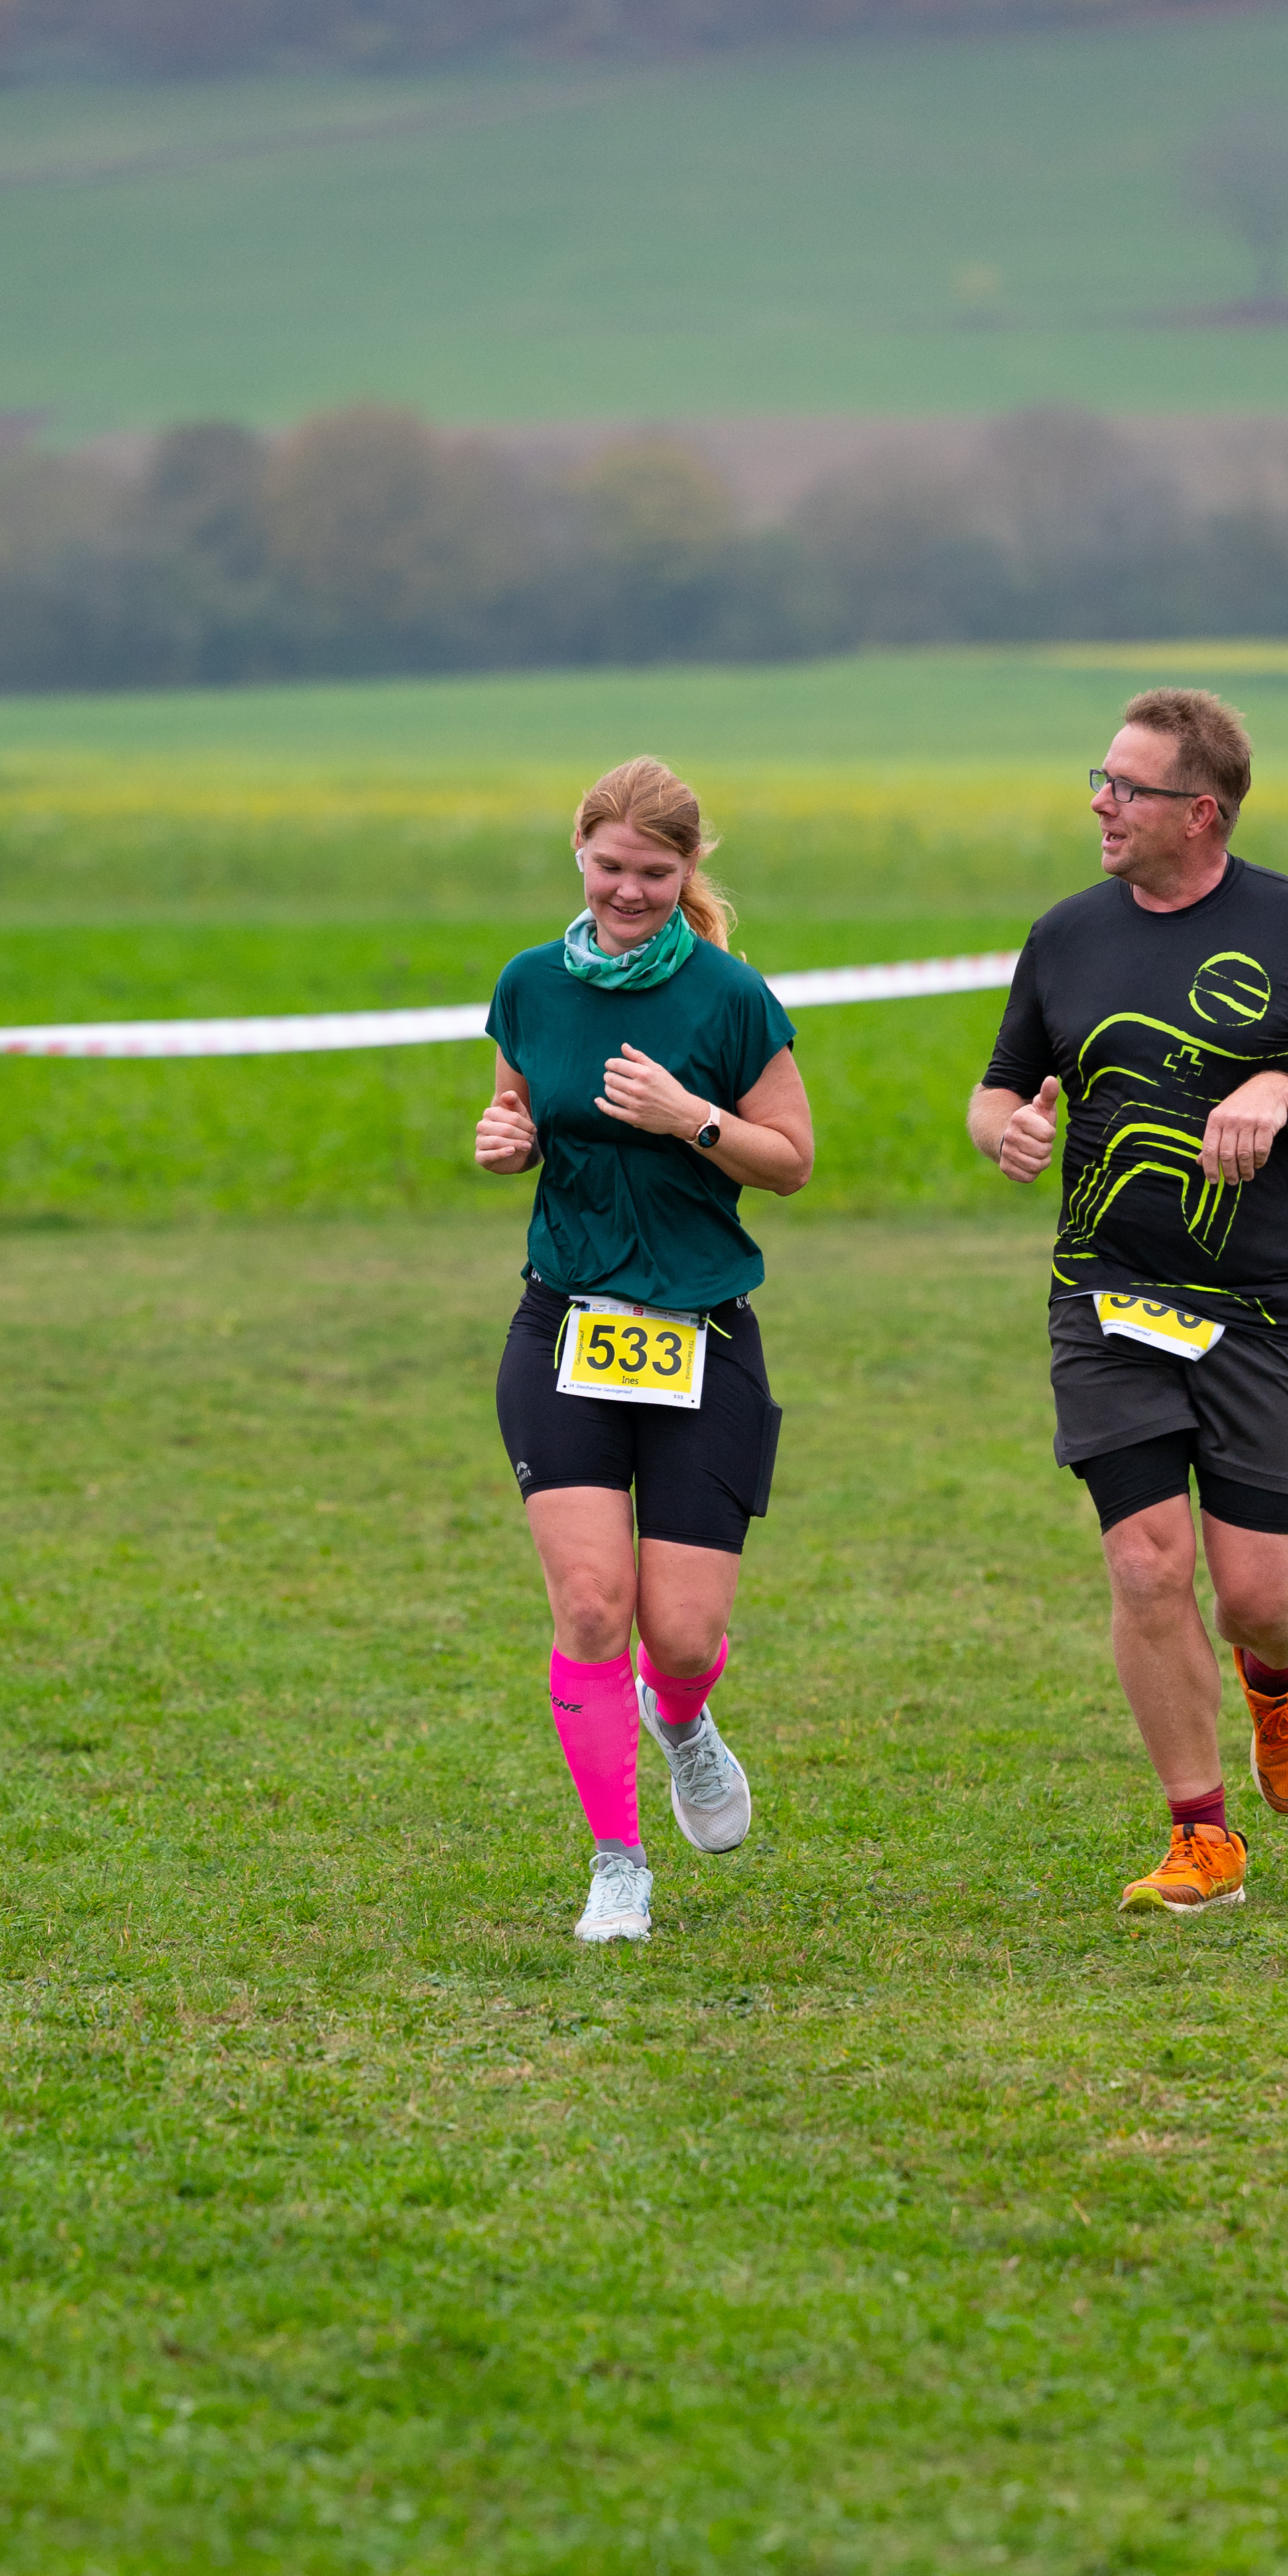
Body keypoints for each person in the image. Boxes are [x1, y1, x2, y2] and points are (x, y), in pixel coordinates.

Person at [968, 688, 1288, 1916]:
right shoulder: (1064, 935)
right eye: (1100, 779)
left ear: (1199, 811)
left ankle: (1275, 1670)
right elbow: (997, 1088)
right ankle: (1201, 1837)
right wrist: (1008, 1131)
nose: (1100, 805)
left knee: (1258, 1598)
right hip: (1105, 1293)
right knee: (1145, 1563)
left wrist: (1287, 1089)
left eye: (1127, 788)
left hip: (1262, 1309)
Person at [476, 756, 814, 1945]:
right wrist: (509, 1140)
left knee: (678, 1636)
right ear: (579, 854)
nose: (628, 891)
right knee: (589, 1606)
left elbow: (791, 1160)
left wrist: (693, 1118)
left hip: (700, 1334)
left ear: (688, 871)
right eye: (610, 866)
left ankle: (681, 1718)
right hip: (563, 1324)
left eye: (655, 873)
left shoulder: (730, 998)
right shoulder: (528, 984)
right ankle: (617, 1863)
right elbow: (521, 1111)